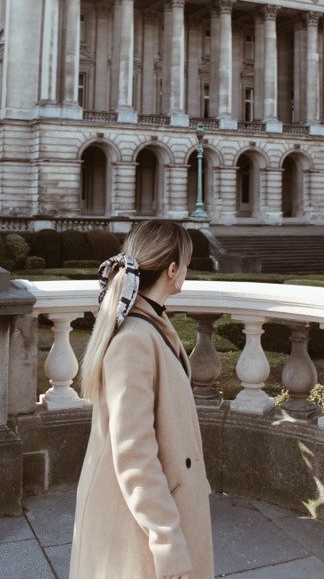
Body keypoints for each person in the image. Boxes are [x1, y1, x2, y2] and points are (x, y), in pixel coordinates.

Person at [70, 219, 214, 579]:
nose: (188, 270)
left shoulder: (149, 325)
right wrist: (166, 539)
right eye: (187, 262)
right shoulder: (135, 337)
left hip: (152, 511)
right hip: (138, 529)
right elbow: (135, 453)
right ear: (172, 270)